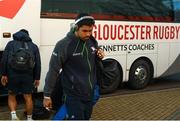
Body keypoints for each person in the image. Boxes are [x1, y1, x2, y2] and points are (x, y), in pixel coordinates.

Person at [43, 13, 105, 120]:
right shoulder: (63, 45)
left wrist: (99, 55)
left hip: (89, 94)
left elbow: (93, 57)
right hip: (73, 95)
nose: (88, 34)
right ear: (76, 28)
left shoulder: (91, 41)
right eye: (85, 31)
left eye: (90, 31)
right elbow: (53, 70)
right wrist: (47, 95)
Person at [1, 29, 41, 120]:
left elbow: (4, 60)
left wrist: (3, 74)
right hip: (28, 75)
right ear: (28, 36)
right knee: (28, 97)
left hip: (12, 74)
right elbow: (38, 63)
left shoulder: (10, 44)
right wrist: (37, 77)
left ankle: (14, 115)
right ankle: (29, 118)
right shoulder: (33, 46)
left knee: (12, 96)